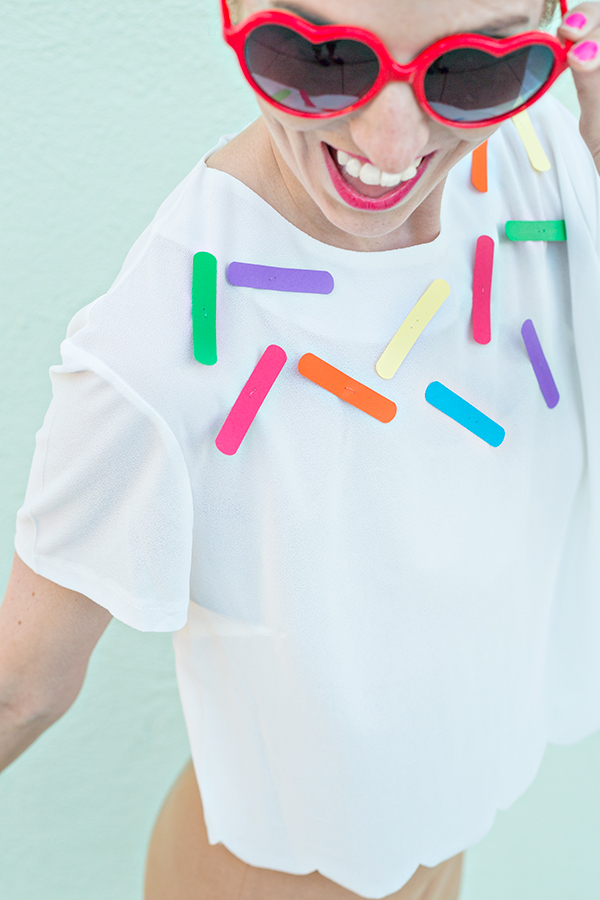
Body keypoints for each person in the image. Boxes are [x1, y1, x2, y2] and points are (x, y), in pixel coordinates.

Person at [2, 0, 600, 897]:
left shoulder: (536, 151)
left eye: (471, 69)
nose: (392, 145)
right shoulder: (155, 348)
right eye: (321, 58)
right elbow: (23, 691)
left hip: (443, 833)